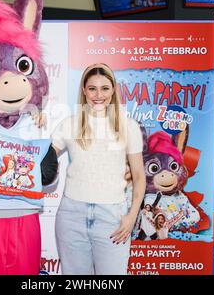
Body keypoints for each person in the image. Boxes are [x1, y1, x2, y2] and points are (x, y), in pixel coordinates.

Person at [52, 63, 146, 275]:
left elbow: (139, 176)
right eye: (92, 88)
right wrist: (33, 121)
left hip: (112, 217)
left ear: (113, 90)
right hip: (71, 215)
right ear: (84, 90)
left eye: (105, 88)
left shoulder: (128, 127)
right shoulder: (69, 124)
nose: (98, 94)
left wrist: (131, 216)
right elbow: (43, 160)